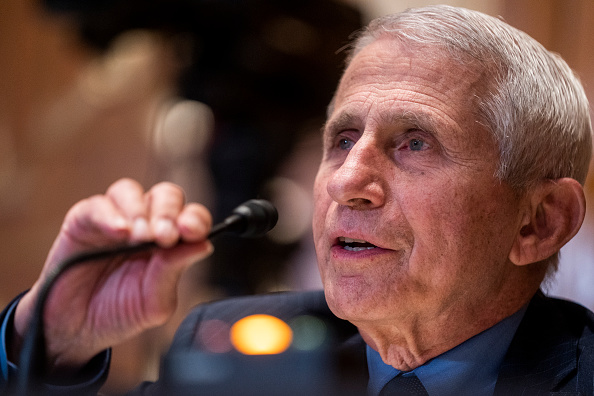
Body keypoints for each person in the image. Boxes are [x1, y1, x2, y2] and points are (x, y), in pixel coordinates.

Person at [1, 4, 593, 395]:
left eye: (414, 143)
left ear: (537, 224)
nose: (344, 181)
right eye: (341, 139)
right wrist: (51, 346)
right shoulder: (234, 341)